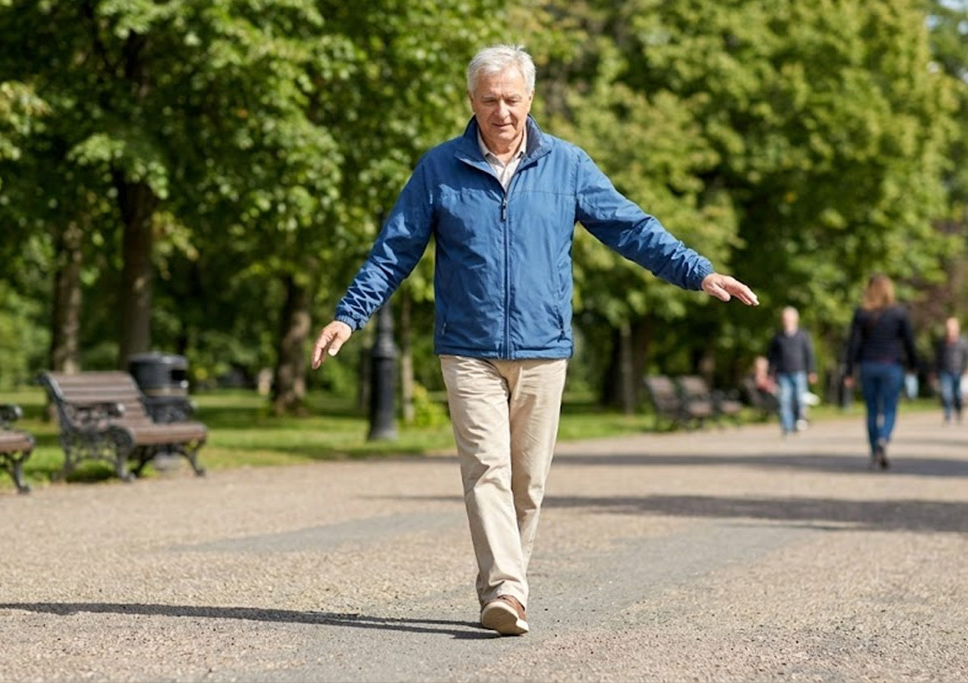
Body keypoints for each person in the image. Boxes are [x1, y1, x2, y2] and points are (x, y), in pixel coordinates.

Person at [309, 45, 759, 636]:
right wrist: (349, 315)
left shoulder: (567, 166)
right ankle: (506, 591)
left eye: (512, 100)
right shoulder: (439, 169)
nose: (502, 111)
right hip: (467, 348)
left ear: (530, 100)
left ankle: (506, 586)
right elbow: (394, 250)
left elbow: (632, 228)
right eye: (490, 100)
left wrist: (696, 271)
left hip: (543, 347)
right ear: (471, 101)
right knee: (486, 470)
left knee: (528, 482)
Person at [843, 274, 918, 469]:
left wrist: (849, 371)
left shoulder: (861, 313)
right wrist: (914, 365)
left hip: (868, 366)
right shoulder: (899, 313)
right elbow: (909, 342)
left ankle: (874, 449)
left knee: (872, 410)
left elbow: (853, 344)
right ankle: (883, 439)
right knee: (890, 408)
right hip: (890, 365)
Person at [766, 307, 817, 435]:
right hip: (783, 373)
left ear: (796, 319)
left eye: (789, 318)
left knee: (799, 399)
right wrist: (770, 373)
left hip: (799, 371)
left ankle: (799, 420)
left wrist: (811, 371)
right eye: (785, 319)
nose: (787, 321)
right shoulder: (778, 337)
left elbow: (809, 354)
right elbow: (772, 357)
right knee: (784, 400)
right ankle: (786, 426)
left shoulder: (803, 336)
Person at [934, 316, 968, 424]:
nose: (950, 331)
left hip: (958, 371)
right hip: (945, 371)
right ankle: (947, 414)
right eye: (948, 329)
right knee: (946, 394)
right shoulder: (941, 342)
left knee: (957, 394)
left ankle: (959, 410)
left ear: (957, 329)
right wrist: (934, 372)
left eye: (952, 329)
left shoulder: (963, 342)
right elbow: (937, 358)